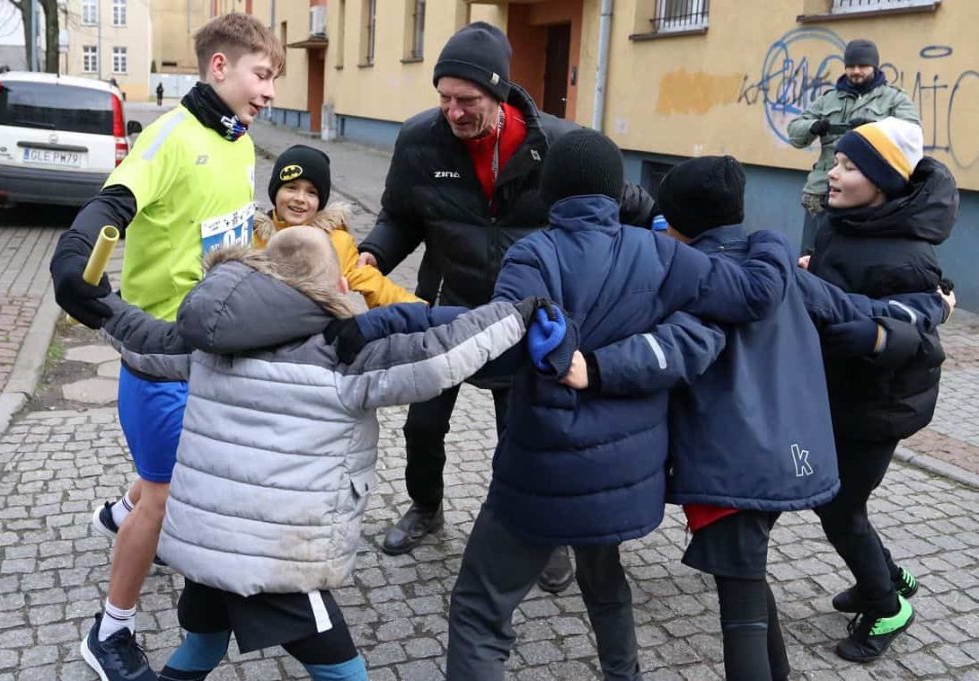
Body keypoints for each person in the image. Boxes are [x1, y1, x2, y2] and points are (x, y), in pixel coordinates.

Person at [97, 226, 552, 681]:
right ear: (338, 287)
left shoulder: (209, 342)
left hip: (204, 546)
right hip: (275, 561)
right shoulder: (343, 361)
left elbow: (136, 335)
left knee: (204, 643)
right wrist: (516, 316)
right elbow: (439, 354)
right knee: (344, 673)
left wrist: (92, 294)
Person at [435, 129, 801, 681]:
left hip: (542, 473)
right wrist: (773, 241)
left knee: (478, 610)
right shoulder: (661, 253)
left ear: (549, 191)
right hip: (626, 477)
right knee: (603, 578)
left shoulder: (531, 254)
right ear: (617, 191)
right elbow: (754, 294)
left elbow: (498, 350)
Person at [356, 21, 655, 592]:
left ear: (498, 93)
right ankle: (426, 507)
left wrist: (681, 235)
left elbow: (629, 204)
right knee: (422, 427)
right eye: (444, 98)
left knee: (525, 435)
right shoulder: (419, 141)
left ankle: (544, 532)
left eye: (466, 100)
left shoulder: (560, 146)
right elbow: (400, 216)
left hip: (528, 316)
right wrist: (374, 253)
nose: (453, 112)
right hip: (450, 307)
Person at [48, 12, 284, 681]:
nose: (270, 91)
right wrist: (77, 249)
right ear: (220, 66)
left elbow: (228, 230)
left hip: (212, 345)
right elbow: (114, 202)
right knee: (167, 492)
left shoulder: (238, 140)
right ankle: (109, 630)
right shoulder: (171, 136)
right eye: (262, 74)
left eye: (274, 78)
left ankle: (119, 511)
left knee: (174, 467)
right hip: (159, 352)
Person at [657, 155, 946, 681]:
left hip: (722, 462)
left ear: (673, 219)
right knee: (743, 577)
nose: (834, 172)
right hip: (778, 450)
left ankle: (872, 606)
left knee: (741, 602)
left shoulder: (674, 275)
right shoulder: (780, 268)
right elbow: (857, 311)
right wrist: (927, 314)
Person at [804, 117, 957, 663]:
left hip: (879, 406)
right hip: (842, 394)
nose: (833, 173)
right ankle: (888, 576)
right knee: (841, 504)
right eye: (837, 162)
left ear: (883, 181)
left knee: (840, 509)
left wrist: (864, 329)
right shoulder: (844, 224)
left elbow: (913, 333)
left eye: (850, 167)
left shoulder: (906, 254)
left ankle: (887, 605)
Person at [787, 39, 919, 255]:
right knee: (812, 256)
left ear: (874, 66)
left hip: (868, 193)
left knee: (853, 256)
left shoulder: (894, 98)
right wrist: (813, 126)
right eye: (851, 66)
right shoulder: (828, 99)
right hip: (823, 191)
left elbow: (911, 133)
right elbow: (794, 131)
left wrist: (874, 128)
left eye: (863, 66)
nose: (856, 71)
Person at [253, 144, 420, 307]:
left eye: (311, 192)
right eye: (291, 188)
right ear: (275, 191)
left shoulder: (336, 243)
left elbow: (376, 286)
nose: (300, 198)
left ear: (321, 201)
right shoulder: (251, 236)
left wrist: (424, 313)